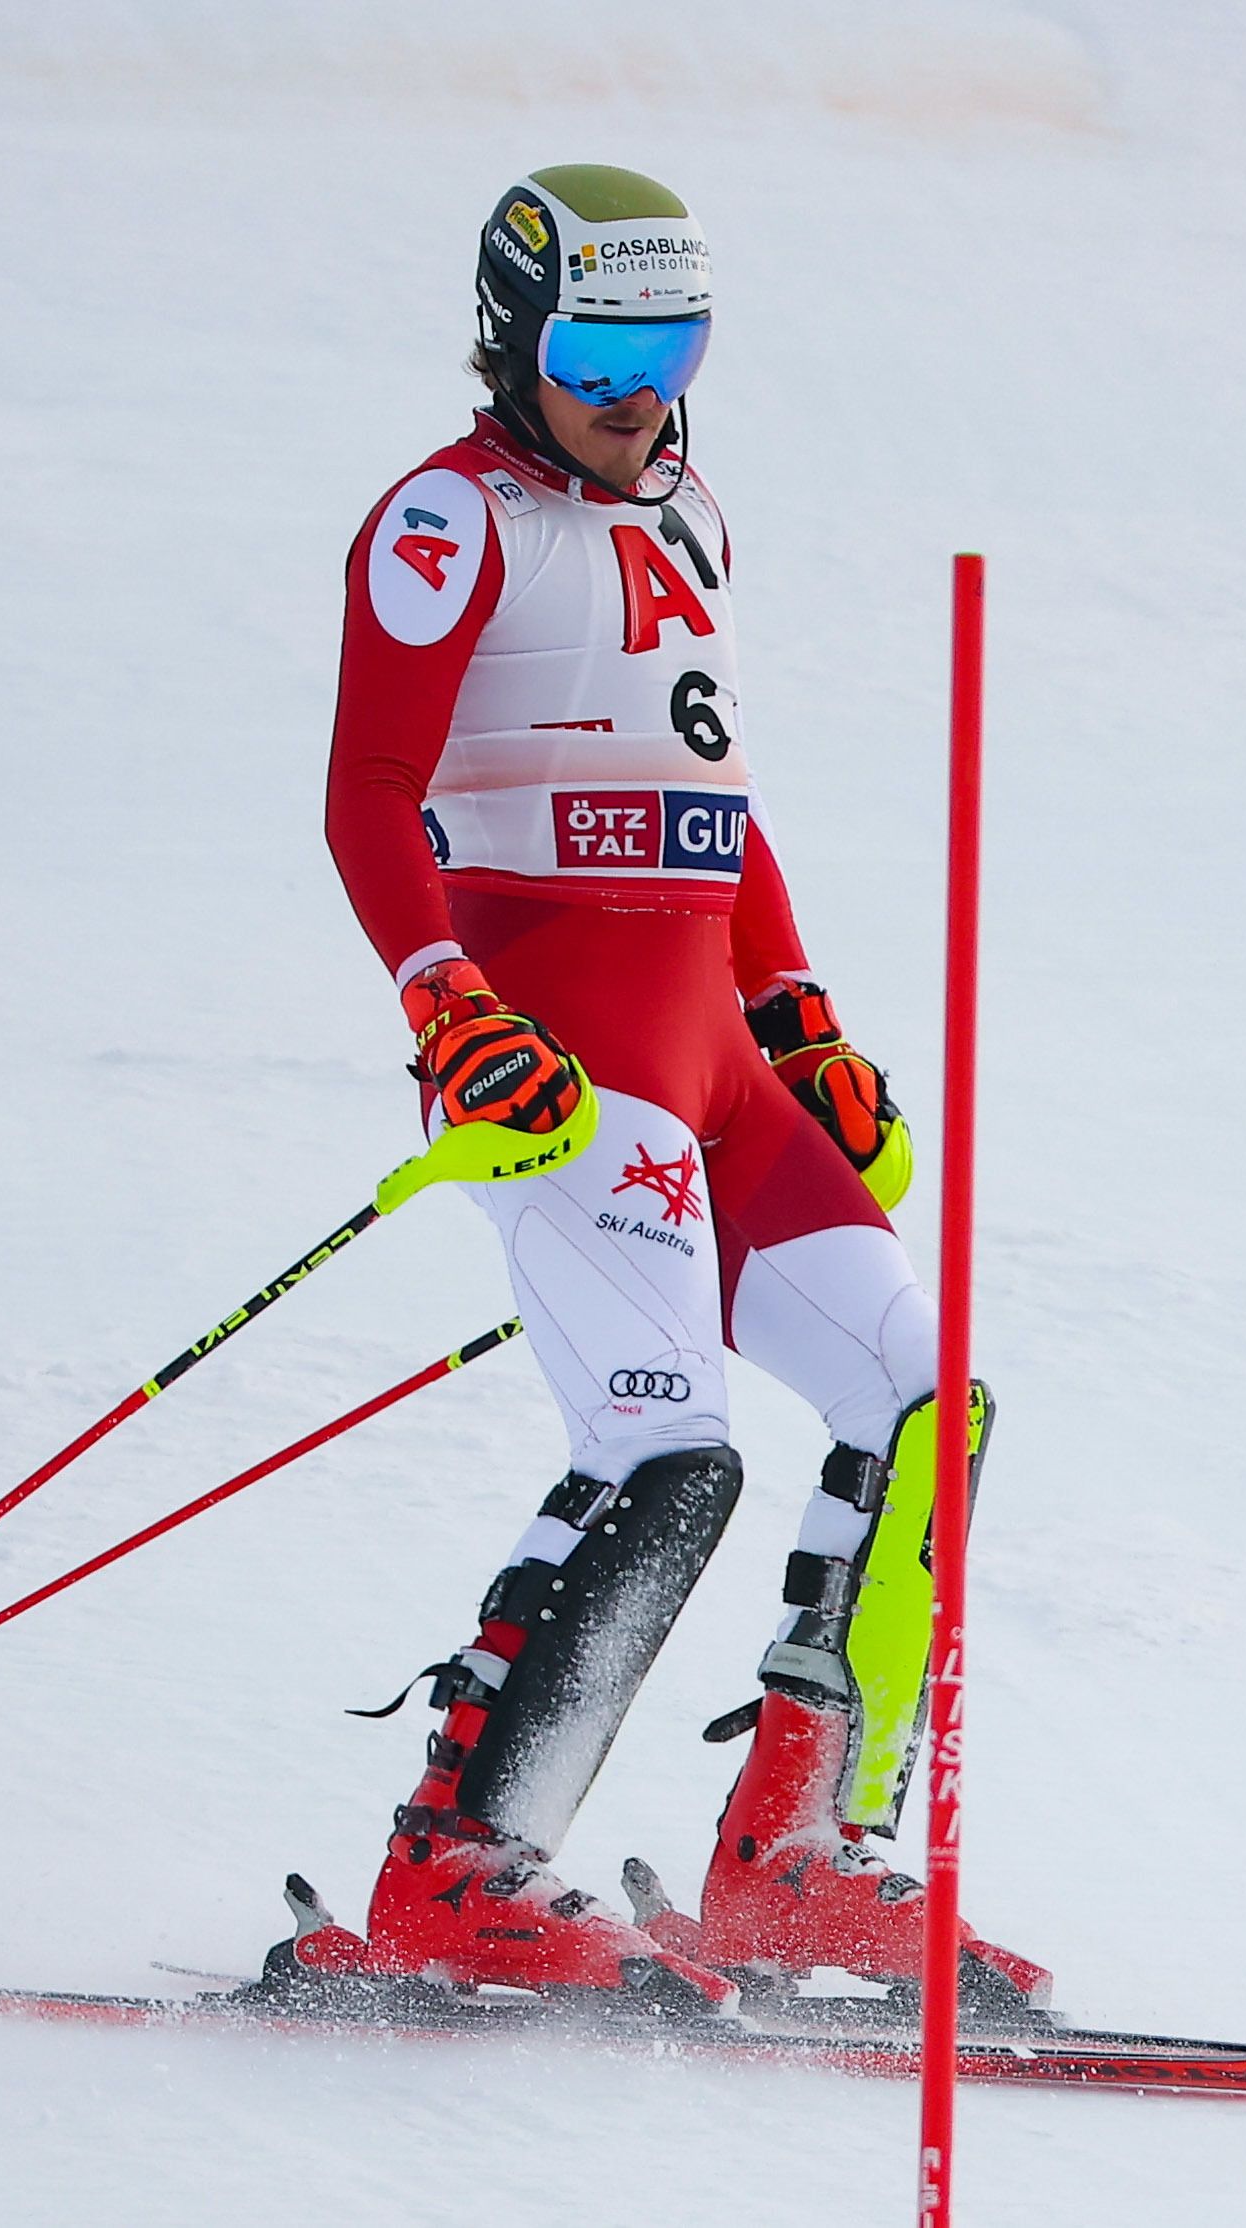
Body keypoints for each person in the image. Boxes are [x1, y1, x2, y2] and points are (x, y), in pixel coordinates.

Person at [290, 164, 1047, 2016]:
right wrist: (445, 1003)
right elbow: (367, 794)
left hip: (704, 1039)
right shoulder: (446, 525)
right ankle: (454, 1870)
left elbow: (710, 792)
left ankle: (798, 1863)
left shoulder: (689, 514)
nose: (637, 395)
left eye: (673, 349)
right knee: (665, 1451)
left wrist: (797, 1015)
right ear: (513, 338)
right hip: (563, 1060)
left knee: (926, 1398)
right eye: (597, 354)